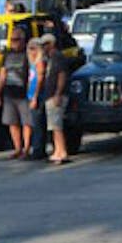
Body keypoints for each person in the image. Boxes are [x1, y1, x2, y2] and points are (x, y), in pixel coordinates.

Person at [0, 28, 31, 159]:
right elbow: (2, 74)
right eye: (12, 40)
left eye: (16, 40)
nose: (14, 43)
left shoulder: (28, 54)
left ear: (23, 40)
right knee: (12, 122)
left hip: (23, 93)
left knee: (26, 122)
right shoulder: (7, 55)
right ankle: (17, 148)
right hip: (9, 92)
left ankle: (27, 148)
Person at [40, 34, 70, 165]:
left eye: (45, 44)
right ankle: (57, 151)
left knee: (57, 126)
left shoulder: (58, 57)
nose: (43, 47)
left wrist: (58, 93)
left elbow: (62, 75)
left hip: (56, 96)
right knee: (53, 126)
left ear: (52, 44)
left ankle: (62, 152)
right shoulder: (49, 58)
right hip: (49, 96)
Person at [25, 37, 46, 160]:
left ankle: (38, 149)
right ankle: (36, 148)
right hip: (30, 94)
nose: (32, 51)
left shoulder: (40, 62)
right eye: (30, 48)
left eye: (34, 49)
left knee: (38, 123)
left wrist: (35, 97)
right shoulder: (32, 63)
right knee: (34, 122)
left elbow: (40, 79)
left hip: (37, 96)